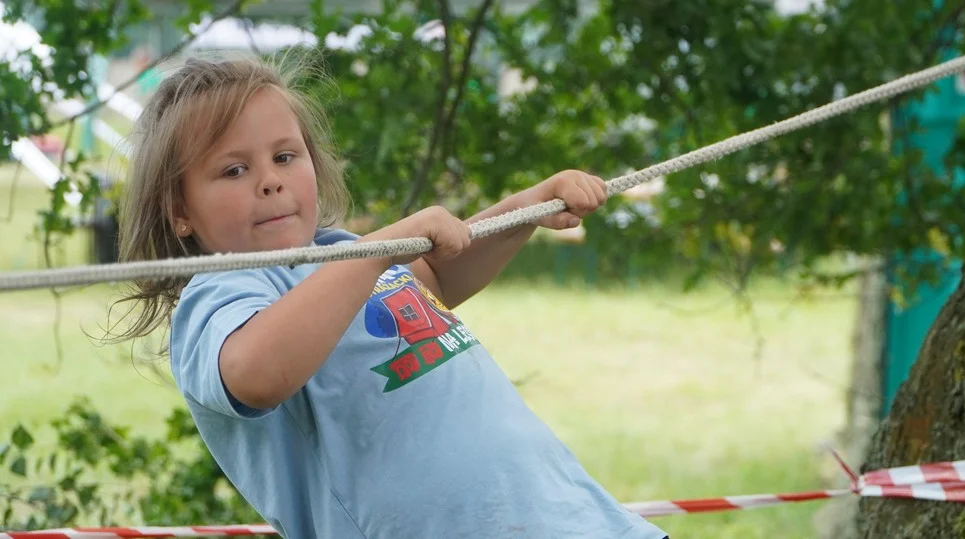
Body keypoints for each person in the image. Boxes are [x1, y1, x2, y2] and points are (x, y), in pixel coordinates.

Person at [110, 52, 668, 539]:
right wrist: (378, 249)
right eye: (234, 169)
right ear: (178, 211)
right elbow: (255, 373)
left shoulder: (342, 252)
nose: (270, 181)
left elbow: (440, 277)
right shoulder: (222, 291)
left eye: (285, 157)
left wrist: (529, 207)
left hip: (577, 520)